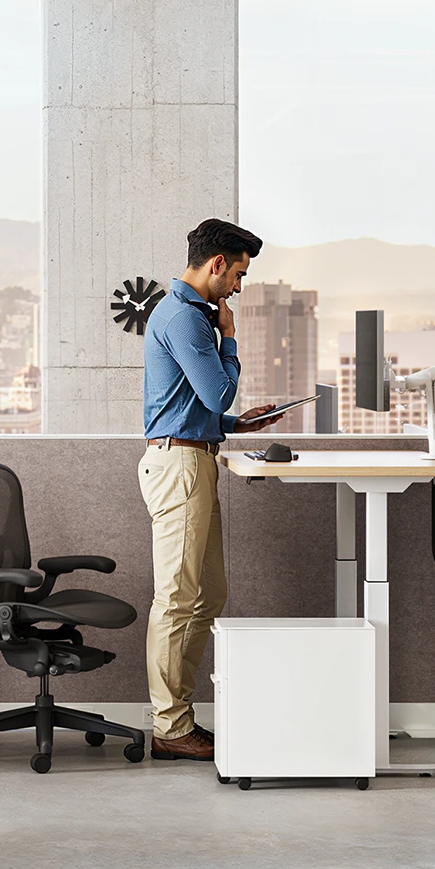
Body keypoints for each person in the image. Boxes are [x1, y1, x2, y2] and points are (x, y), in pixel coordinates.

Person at [139, 219, 280, 762]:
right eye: (240, 274)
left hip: (195, 457)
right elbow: (217, 391)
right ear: (217, 263)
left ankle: (180, 713)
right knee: (176, 599)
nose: (239, 288)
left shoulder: (186, 316)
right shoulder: (186, 318)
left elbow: (200, 406)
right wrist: (229, 336)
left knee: (207, 594)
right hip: (179, 467)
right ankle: (170, 726)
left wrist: (239, 426)